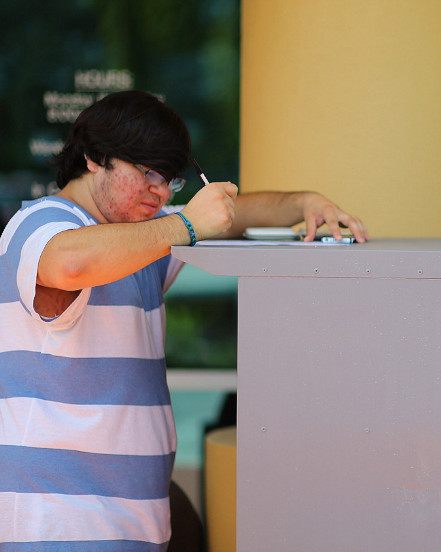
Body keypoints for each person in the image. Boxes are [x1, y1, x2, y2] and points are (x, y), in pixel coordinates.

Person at [0, 90, 368, 549]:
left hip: (126, 525)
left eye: (170, 180)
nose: (159, 192)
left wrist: (305, 202)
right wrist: (188, 224)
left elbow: (238, 214)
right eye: (148, 172)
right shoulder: (39, 220)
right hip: (57, 523)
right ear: (95, 157)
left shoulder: (139, 237)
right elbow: (68, 263)